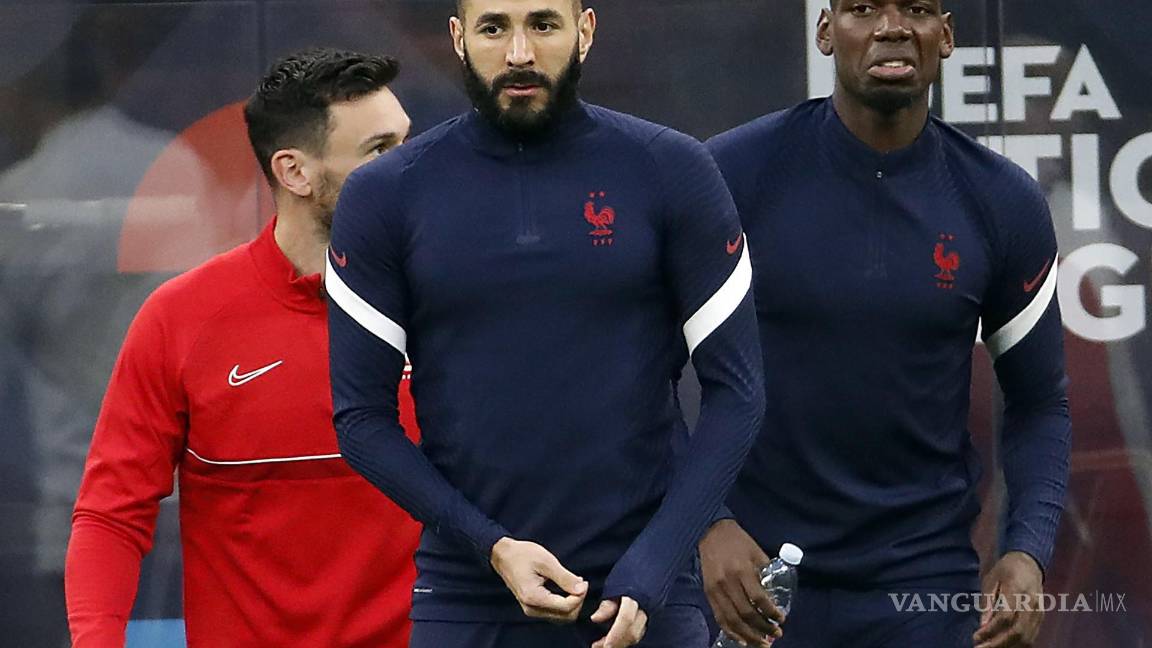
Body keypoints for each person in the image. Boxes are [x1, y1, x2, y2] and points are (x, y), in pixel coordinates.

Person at [324, 1, 765, 646]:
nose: (520, 53)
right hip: (468, 593)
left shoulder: (672, 169)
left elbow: (740, 393)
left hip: (645, 598)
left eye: (544, 24)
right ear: (458, 38)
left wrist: (654, 564)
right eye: (494, 27)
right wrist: (491, 545)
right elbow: (360, 420)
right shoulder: (386, 194)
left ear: (585, 31)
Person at [700, 2, 1071, 647]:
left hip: (923, 587)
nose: (892, 27)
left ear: (947, 35)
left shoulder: (1000, 201)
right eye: (863, 8)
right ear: (825, 31)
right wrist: (707, 525)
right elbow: (643, 374)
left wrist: (1028, 551)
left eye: (918, 9)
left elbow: (1040, 402)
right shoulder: (730, 177)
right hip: (755, 576)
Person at [65, 47, 421, 647]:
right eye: (379, 151)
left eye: (408, 143)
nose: (410, 168)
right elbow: (110, 514)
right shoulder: (180, 321)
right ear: (295, 173)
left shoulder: (453, 306)